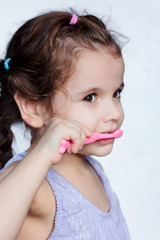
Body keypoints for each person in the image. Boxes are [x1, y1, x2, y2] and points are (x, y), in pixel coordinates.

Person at [0, 10, 131, 240]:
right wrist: (42, 155)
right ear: (34, 108)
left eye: (116, 93)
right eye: (90, 97)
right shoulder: (32, 182)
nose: (115, 112)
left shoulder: (92, 169)